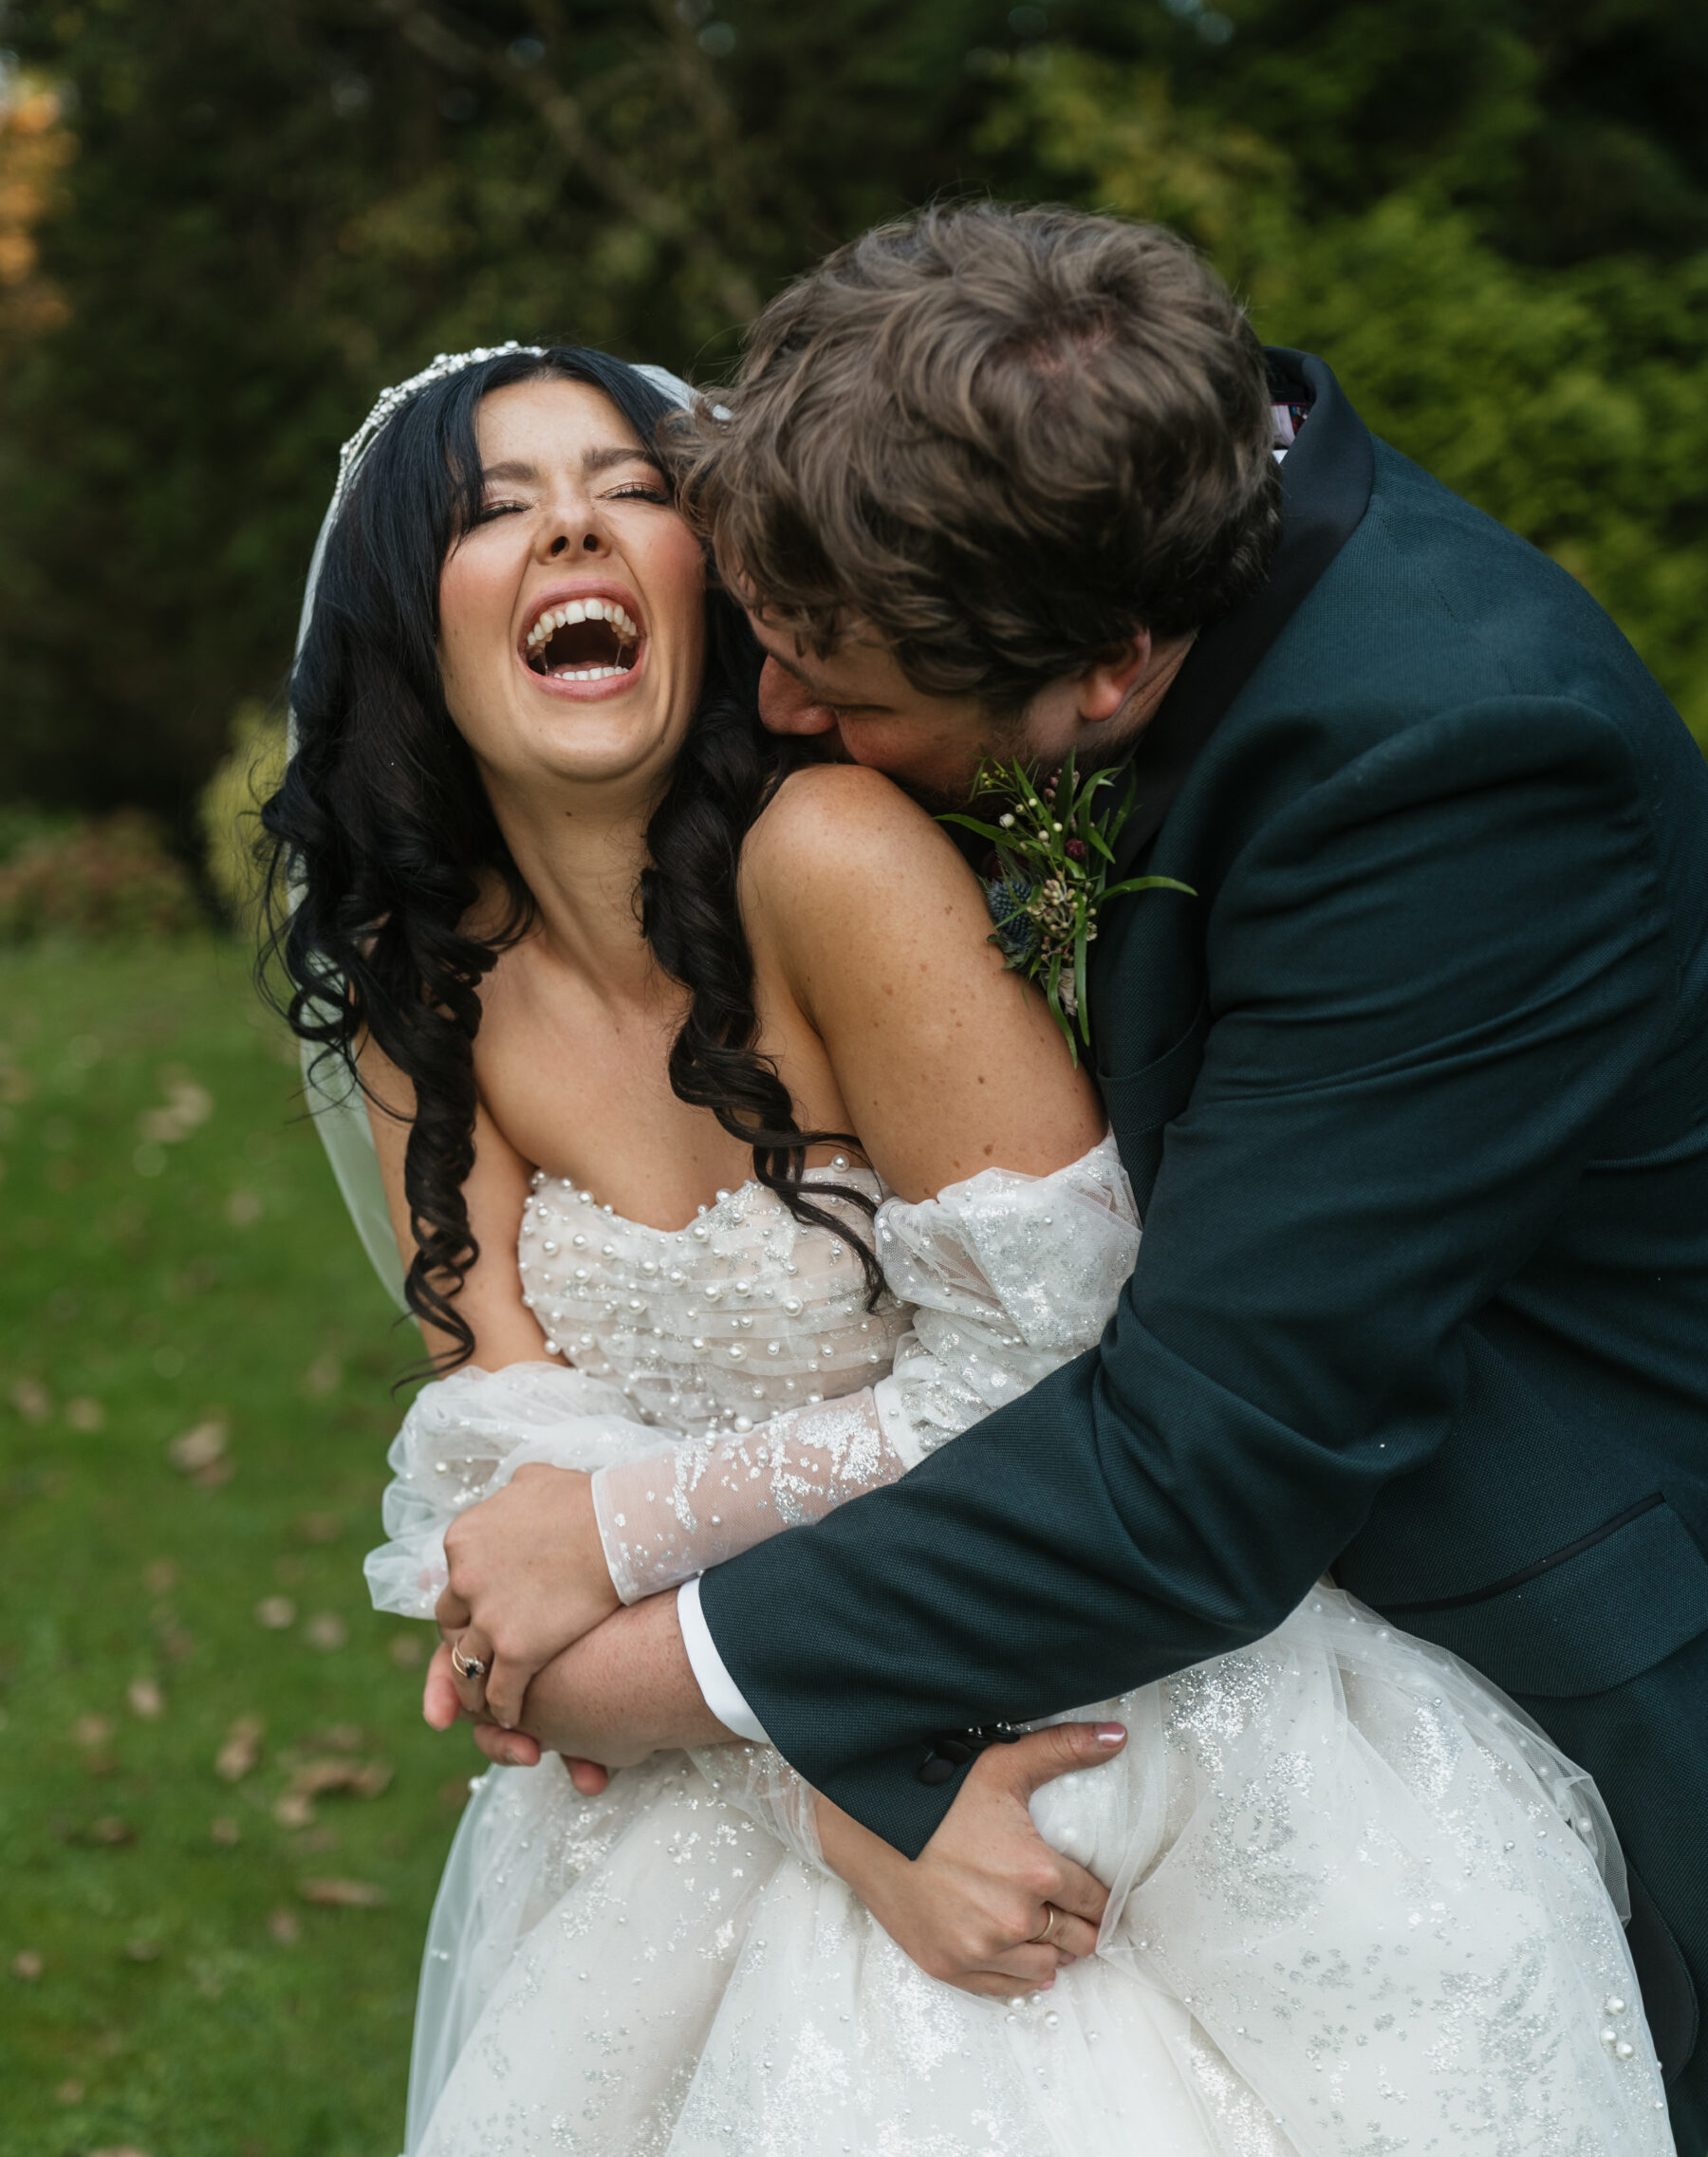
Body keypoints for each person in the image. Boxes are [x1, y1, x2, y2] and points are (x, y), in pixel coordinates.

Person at [267, 332, 1673, 2155]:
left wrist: (633, 1572)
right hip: (738, 1758)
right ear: (405, 617)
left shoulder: (833, 856)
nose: (573, 538)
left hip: (1093, 1676)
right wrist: (832, 1796)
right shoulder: (416, 995)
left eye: (631, 492)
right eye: (494, 510)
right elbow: (499, 1434)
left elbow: (1068, 1354)